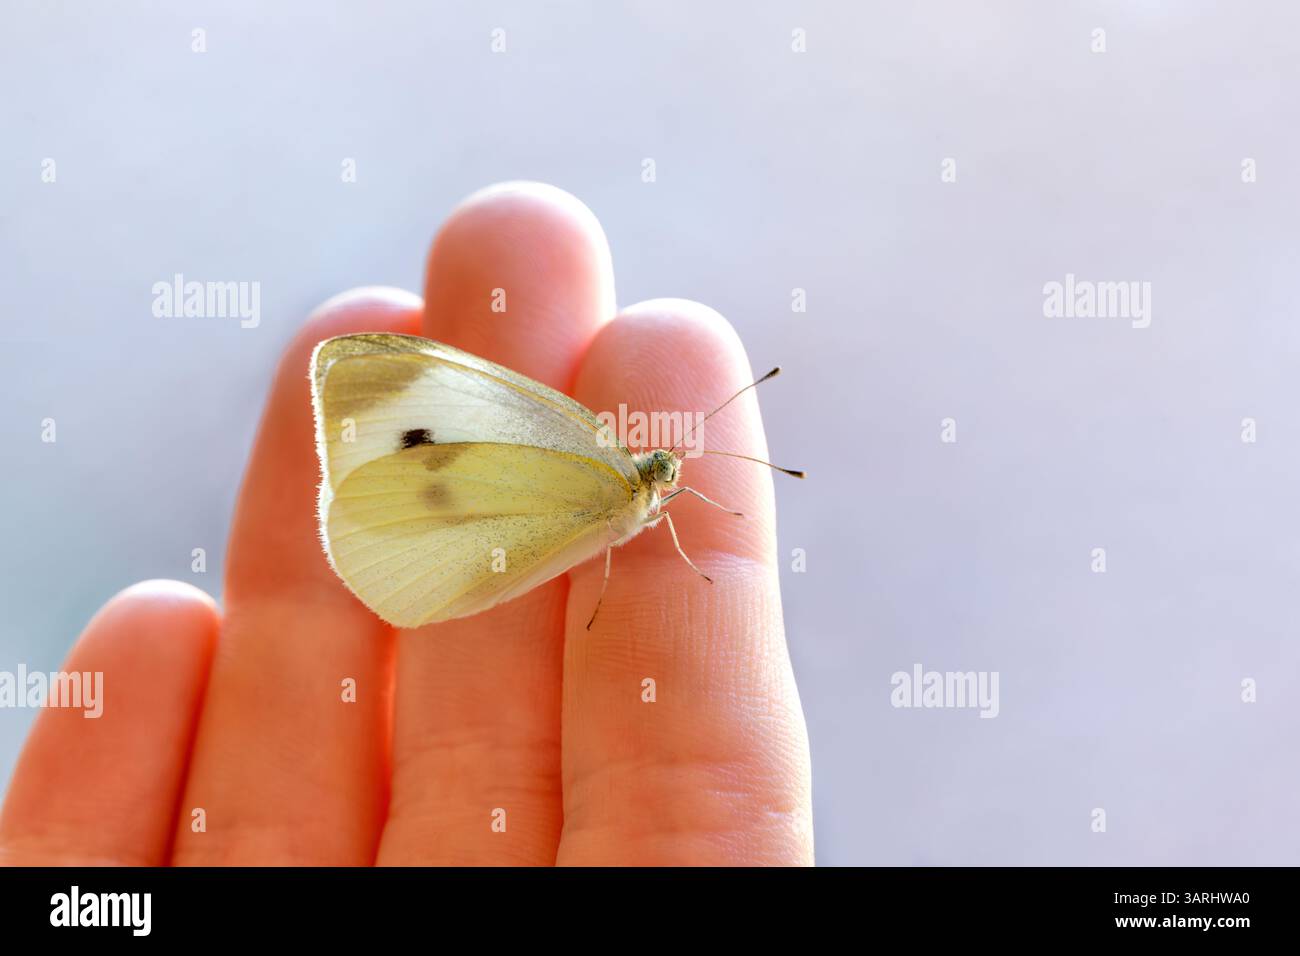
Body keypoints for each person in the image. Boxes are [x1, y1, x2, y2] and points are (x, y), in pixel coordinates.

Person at [0, 182, 813, 866]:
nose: (675, 482)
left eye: (674, 479)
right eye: (671, 477)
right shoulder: (613, 479)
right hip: (431, 525)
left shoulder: (628, 491)